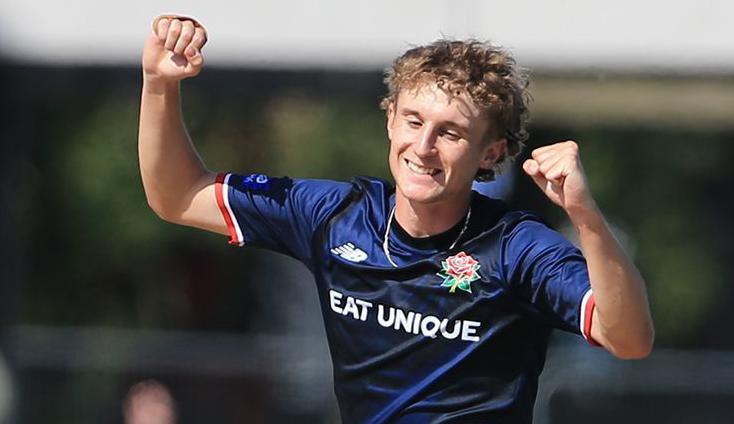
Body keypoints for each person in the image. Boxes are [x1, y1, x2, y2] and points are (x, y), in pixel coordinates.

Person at [138, 15, 654, 423]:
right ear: (390, 119)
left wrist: (585, 217)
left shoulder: (517, 247)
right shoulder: (333, 215)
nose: (424, 147)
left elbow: (629, 339)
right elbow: (178, 195)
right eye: (413, 121)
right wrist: (159, 85)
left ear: (491, 153)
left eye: (450, 133)